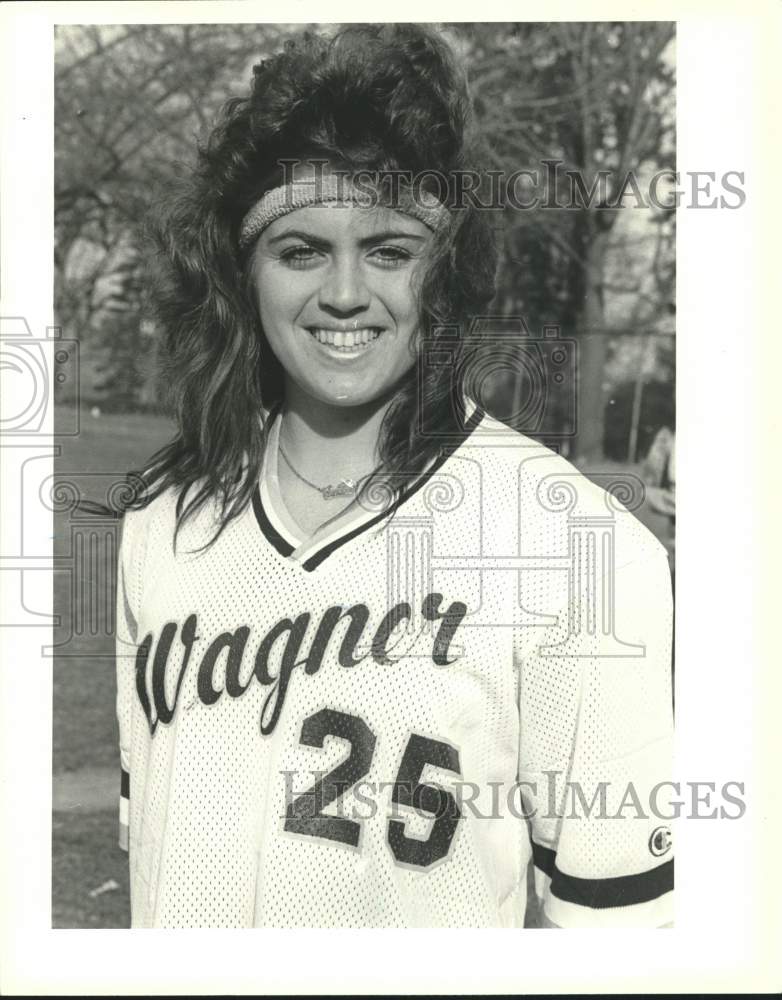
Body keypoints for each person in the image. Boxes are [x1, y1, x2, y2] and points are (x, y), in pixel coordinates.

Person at [115, 23, 674, 928]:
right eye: (300, 249)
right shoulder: (163, 518)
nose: (344, 292)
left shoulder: (581, 551)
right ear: (243, 270)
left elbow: (619, 935)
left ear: (444, 272)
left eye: (389, 250)